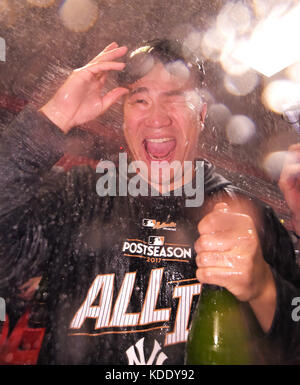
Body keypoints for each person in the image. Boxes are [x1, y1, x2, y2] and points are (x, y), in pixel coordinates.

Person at [0, 39, 299, 365]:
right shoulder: (78, 195)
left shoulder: (249, 219)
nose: (157, 118)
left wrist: (264, 290)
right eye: (140, 100)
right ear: (124, 115)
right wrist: (53, 118)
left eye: (175, 99)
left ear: (201, 115)